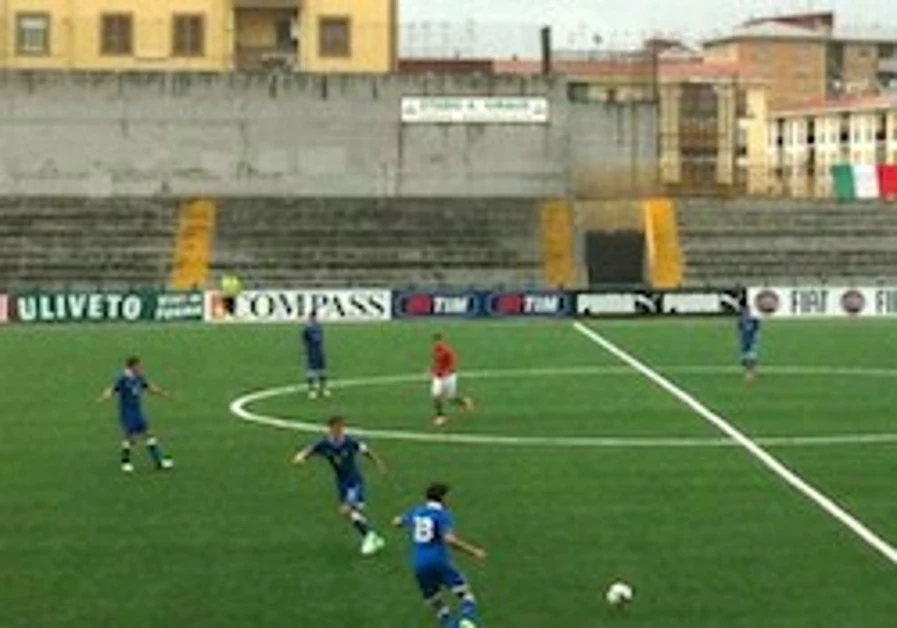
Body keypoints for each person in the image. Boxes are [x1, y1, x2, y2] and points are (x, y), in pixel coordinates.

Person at [393, 483, 487, 628]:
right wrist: (474, 552)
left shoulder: (416, 511)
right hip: (438, 561)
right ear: (442, 498)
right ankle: (467, 620)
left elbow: (396, 522)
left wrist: (403, 520)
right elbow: (449, 539)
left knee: (437, 603)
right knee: (466, 595)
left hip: (418, 564)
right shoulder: (442, 514)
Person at [292, 416, 386, 555]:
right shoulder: (325, 444)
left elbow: (366, 451)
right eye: (336, 428)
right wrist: (302, 456)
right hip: (341, 483)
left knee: (346, 510)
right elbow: (312, 449)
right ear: (330, 429)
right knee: (352, 513)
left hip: (354, 481)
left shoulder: (350, 442)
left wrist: (379, 464)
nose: (339, 431)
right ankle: (373, 537)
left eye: (341, 428)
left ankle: (370, 536)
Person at [97, 357, 173, 473]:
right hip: (127, 413)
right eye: (139, 366)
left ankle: (159, 461)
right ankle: (125, 462)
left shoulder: (139, 378)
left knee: (149, 434)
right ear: (132, 367)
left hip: (138, 412)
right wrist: (105, 396)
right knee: (130, 438)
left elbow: (149, 387)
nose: (141, 368)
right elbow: (112, 389)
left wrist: (163, 393)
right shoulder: (123, 379)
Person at [431, 333, 474, 427]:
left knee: (450, 398)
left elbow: (453, 363)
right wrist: (433, 370)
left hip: (449, 376)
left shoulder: (448, 351)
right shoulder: (435, 350)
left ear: (442, 341)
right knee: (436, 395)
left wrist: (447, 371)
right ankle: (440, 416)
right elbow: (437, 363)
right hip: (438, 377)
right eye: (436, 342)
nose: (437, 344)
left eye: (439, 342)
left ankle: (464, 402)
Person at [302, 312, 330, 399]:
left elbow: (319, 338)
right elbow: (305, 339)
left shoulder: (319, 327)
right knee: (311, 372)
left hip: (320, 352)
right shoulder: (307, 329)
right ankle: (312, 390)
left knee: (322, 371)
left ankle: (324, 388)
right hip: (312, 352)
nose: (314, 319)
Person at [738, 308, 761, 381]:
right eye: (744, 312)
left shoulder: (754, 320)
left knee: (751, 358)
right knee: (744, 360)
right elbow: (740, 331)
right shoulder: (741, 320)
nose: (745, 313)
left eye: (747, 312)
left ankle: (751, 373)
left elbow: (757, 330)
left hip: (752, 341)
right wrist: (741, 340)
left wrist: (756, 340)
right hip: (744, 341)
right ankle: (749, 370)